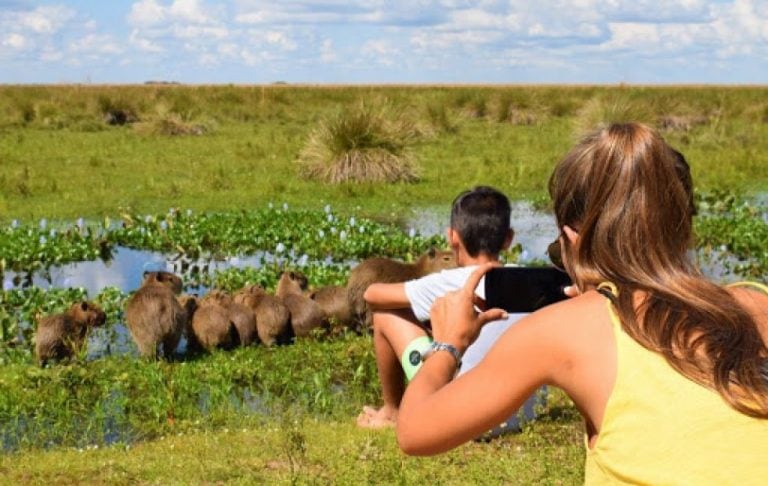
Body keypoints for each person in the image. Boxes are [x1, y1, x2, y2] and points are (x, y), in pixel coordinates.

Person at [396, 123, 768, 483]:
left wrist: (448, 344)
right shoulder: (757, 303)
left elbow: (415, 431)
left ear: (573, 238)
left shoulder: (560, 330)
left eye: (559, 253)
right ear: (684, 227)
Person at [357, 185, 523, 429]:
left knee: (384, 314)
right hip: (519, 417)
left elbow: (372, 294)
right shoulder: (530, 281)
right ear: (508, 239)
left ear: (452, 237)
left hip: (458, 420)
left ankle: (392, 411)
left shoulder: (447, 282)